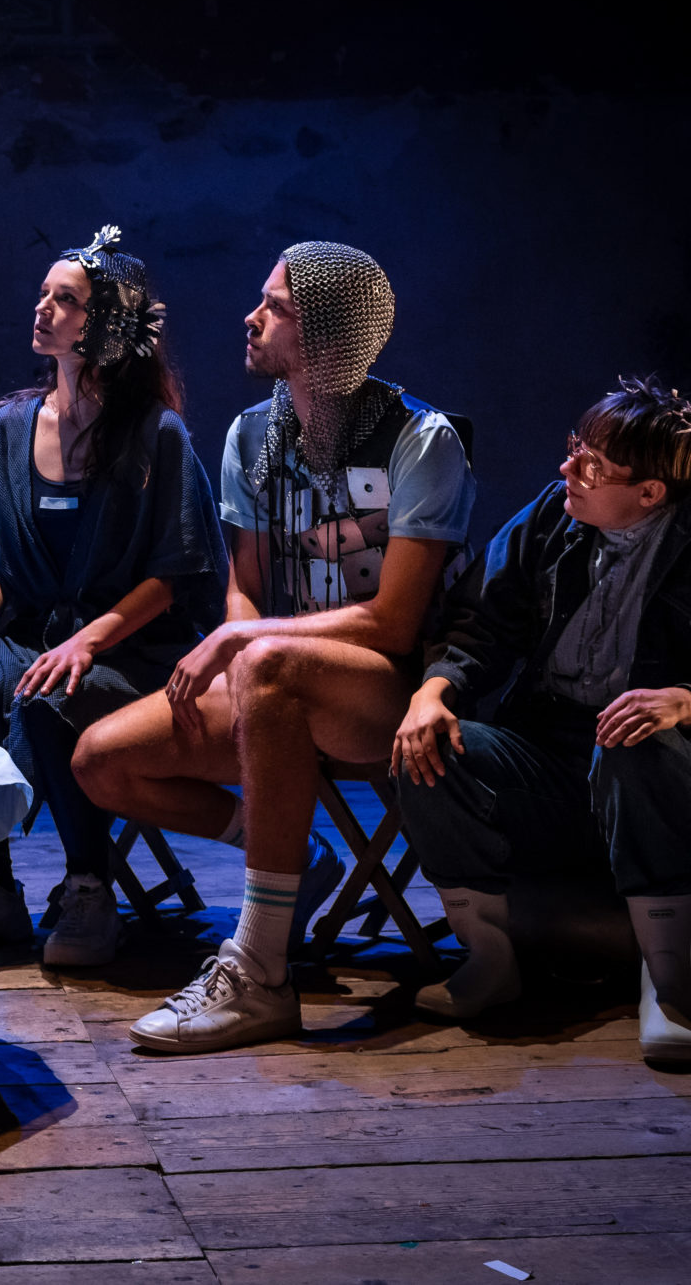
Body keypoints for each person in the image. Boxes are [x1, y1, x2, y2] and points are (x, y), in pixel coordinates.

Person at [74, 240, 477, 1052]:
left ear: (327, 334)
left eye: (276, 308)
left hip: (383, 691)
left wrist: (242, 639)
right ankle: (301, 859)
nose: (251, 318)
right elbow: (246, 588)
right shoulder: (252, 432)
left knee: (267, 661)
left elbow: (395, 623)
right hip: (275, 679)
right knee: (101, 760)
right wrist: (242, 634)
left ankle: (258, 973)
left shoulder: (420, 438)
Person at [392, 380, 691, 1065]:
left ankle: (667, 988)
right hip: (550, 753)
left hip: (681, 768)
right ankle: (490, 961)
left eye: (591, 464)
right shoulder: (557, 513)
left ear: (650, 493)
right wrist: (434, 691)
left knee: (635, 737)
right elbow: (482, 624)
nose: (566, 468)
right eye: (573, 448)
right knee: (430, 748)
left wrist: (686, 701)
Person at [0, 227, 228, 966]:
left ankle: (90, 885)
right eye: (43, 294)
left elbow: (175, 576)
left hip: (130, 648)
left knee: (50, 694)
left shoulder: (158, 435)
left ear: (110, 325)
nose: (43, 308)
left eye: (66, 300)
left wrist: (88, 641)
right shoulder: (8, 430)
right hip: (31, 637)